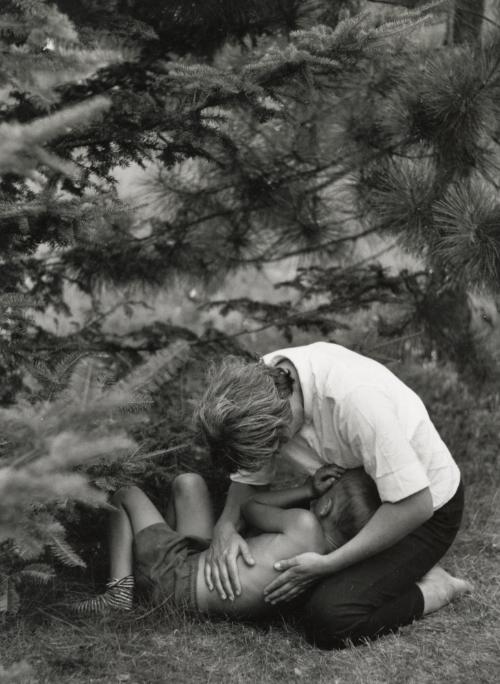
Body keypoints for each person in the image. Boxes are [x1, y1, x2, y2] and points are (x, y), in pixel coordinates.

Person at [195, 342, 472, 647]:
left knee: (331, 617)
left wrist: (330, 564)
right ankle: (391, 570)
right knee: (272, 586)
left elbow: (415, 505)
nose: (275, 453)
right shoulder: (259, 387)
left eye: (277, 444)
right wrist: (225, 526)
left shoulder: (356, 400)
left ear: (282, 410)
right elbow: (249, 479)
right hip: (355, 499)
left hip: (424, 510)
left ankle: (436, 587)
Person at [70, 467, 382, 618]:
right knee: (188, 483)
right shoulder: (323, 565)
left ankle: (119, 594)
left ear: (326, 505)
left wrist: (307, 490)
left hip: (178, 581)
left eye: (328, 492)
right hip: (197, 570)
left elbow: (251, 506)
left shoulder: (305, 523)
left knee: (126, 495)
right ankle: (149, 562)